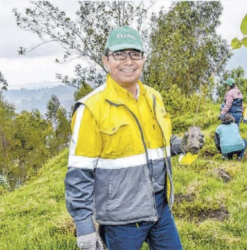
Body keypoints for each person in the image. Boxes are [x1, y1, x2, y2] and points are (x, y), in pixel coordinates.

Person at [64, 26, 205, 250]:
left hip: (159, 208)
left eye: (135, 54)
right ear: (106, 60)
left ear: (143, 59)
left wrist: (182, 145)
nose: (128, 61)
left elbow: (158, 145)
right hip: (121, 220)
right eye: (119, 54)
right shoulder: (91, 108)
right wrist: (84, 226)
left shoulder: (153, 97)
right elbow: (79, 173)